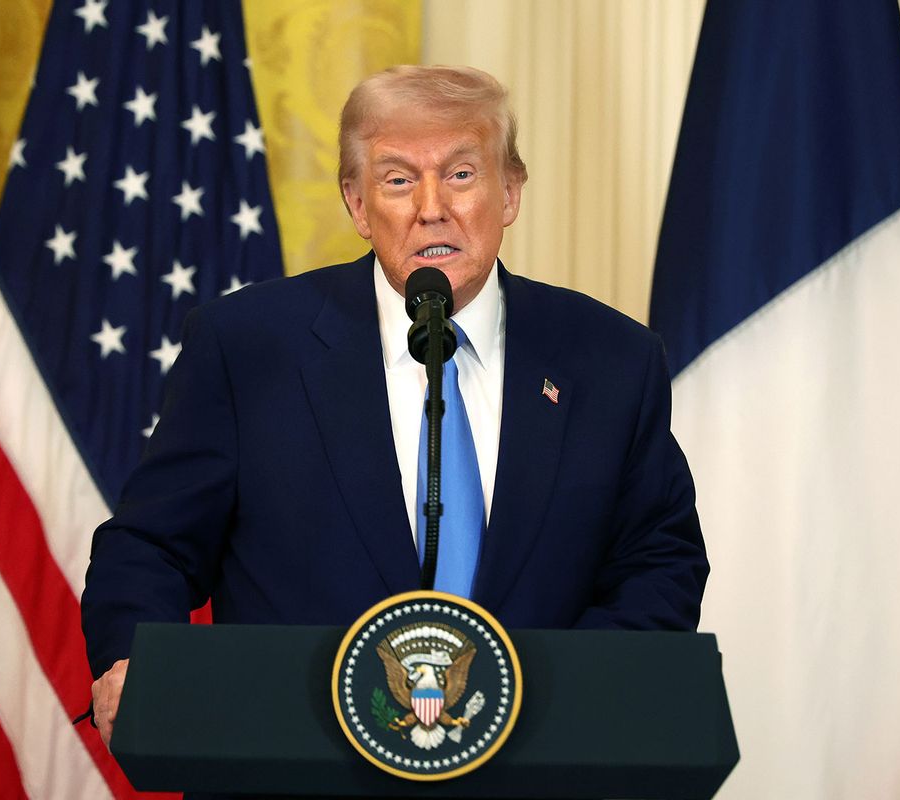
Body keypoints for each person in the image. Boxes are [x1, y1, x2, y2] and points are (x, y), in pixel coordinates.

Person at [82, 65, 708, 748]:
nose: (431, 206)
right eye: (398, 179)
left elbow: (658, 561)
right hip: (292, 768)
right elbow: (150, 546)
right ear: (357, 204)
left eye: (463, 174)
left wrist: (558, 697)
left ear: (511, 193)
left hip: (536, 773)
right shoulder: (246, 347)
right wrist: (137, 655)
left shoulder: (613, 360)